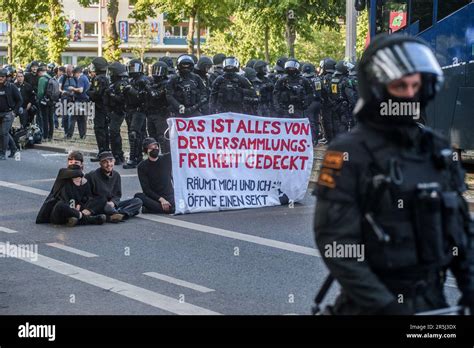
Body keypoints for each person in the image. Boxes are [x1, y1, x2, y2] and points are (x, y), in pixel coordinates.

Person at [313, 34, 474, 315]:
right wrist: (386, 307)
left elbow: (462, 234)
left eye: (416, 85)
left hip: (433, 305)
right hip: (371, 306)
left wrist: (470, 289)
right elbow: (336, 243)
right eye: (401, 86)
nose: (411, 94)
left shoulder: (436, 149)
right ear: (378, 88)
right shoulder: (348, 153)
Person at [36, 163, 106, 226]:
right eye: (75, 177)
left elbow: (87, 198)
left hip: (77, 210)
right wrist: (79, 213)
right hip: (61, 212)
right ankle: (88, 219)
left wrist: (88, 209)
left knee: (102, 198)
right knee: (60, 205)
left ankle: (75, 219)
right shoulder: (63, 181)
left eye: (79, 178)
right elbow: (65, 172)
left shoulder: (84, 184)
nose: (78, 179)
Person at [86, 151, 143, 222]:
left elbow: (117, 195)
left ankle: (119, 214)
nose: (109, 164)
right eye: (105, 162)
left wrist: (113, 202)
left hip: (112, 204)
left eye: (111, 161)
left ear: (114, 161)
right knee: (108, 208)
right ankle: (123, 213)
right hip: (100, 206)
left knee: (138, 201)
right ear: (100, 163)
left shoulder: (116, 175)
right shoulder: (92, 176)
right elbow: (88, 196)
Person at [134, 138, 174, 214]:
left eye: (156, 147)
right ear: (146, 151)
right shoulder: (142, 166)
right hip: (155, 198)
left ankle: (151, 209)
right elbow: (146, 190)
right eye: (151, 148)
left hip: (169, 196)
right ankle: (165, 208)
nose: (154, 149)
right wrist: (161, 200)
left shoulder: (166, 159)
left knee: (175, 204)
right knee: (138, 196)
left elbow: (178, 148)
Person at [123, 59, 149, 169]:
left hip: (139, 110)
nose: (133, 70)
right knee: (138, 134)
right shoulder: (131, 80)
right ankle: (139, 157)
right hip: (131, 110)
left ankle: (134, 158)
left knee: (134, 134)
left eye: (135, 67)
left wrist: (131, 90)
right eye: (131, 67)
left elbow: (142, 96)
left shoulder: (142, 80)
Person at [104, 62, 128, 165]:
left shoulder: (121, 83)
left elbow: (122, 99)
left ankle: (118, 155)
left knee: (114, 133)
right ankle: (116, 154)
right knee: (113, 133)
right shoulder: (113, 83)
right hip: (113, 111)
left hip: (119, 111)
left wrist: (112, 94)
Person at [87, 57, 110, 162]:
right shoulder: (106, 77)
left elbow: (96, 94)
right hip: (105, 107)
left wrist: (89, 92)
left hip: (100, 107)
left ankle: (102, 152)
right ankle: (105, 151)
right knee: (104, 129)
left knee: (99, 129)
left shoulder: (98, 79)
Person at [328, 61, 358, 137]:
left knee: (335, 124)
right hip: (343, 106)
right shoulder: (346, 80)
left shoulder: (332, 79)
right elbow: (351, 96)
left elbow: (328, 93)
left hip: (334, 105)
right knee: (343, 124)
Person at [147, 61, 170, 153]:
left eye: (159, 71)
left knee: (162, 137)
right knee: (152, 138)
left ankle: (165, 157)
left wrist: (148, 87)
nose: (156, 73)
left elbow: (156, 95)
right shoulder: (151, 82)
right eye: (155, 70)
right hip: (151, 113)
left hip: (161, 113)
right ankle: (154, 157)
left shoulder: (166, 84)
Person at [0, 68, 23, 160]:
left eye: (2, 77)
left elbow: (20, 100)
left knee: (3, 133)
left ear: (6, 77)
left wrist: (14, 112)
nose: (0, 78)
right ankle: (14, 149)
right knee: (3, 132)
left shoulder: (11, 87)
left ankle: (2, 153)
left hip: (8, 113)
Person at [319, 58, 337, 143]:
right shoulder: (335, 76)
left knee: (327, 121)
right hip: (334, 103)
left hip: (327, 103)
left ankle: (329, 138)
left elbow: (326, 91)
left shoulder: (326, 78)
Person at [36, 66, 56, 141]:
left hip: (44, 102)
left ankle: (45, 136)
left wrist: (39, 99)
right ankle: (51, 136)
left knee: (44, 119)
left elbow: (40, 92)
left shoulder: (42, 79)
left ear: (40, 72)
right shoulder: (51, 77)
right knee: (51, 119)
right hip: (51, 101)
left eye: (38, 73)